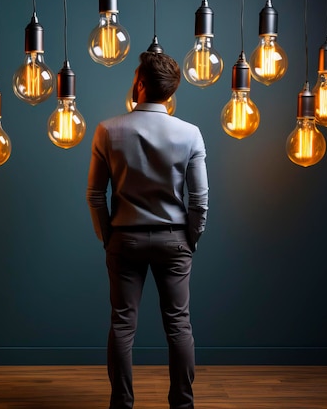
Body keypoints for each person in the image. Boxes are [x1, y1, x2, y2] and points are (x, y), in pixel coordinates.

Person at [86, 50, 209, 409]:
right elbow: (199, 201)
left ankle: (121, 404)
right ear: (170, 92)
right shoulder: (190, 133)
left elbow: (95, 194)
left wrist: (108, 236)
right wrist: (190, 239)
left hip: (124, 237)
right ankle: (182, 405)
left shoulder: (108, 130)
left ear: (139, 84)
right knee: (179, 326)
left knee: (123, 326)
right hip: (174, 238)